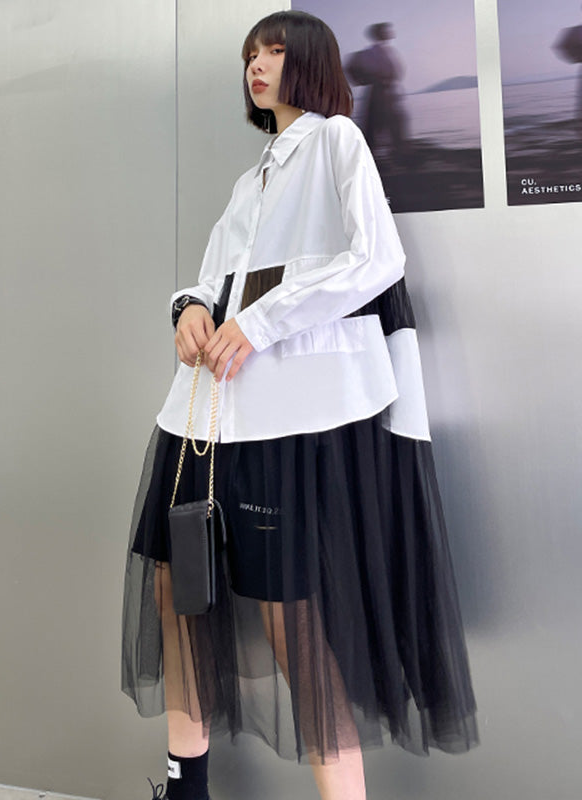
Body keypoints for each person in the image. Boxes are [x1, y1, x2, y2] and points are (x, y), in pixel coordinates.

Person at [121, 11, 478, 800]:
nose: (257, 64)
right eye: (250, 53)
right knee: (176, 589)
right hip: (206, 414)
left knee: (293, 618)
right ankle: (185, 787)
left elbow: (377, 258)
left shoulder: (335, 141)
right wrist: (189, 307)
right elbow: (214, 276)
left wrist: (260, 320)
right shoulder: (250, 178)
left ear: (309, 60)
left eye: (275, 51)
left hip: (290, 419)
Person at [345, 22, 409, 161]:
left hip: (389, 92)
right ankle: (370, 158)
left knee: (393, 124)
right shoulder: (370, 53)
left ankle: (398, 154)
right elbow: (350, 66)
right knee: (375, 126)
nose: (390, 32)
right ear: (379, 34)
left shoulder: (387, 51)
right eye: (386, 30)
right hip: (378, 92)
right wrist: (366, 80)